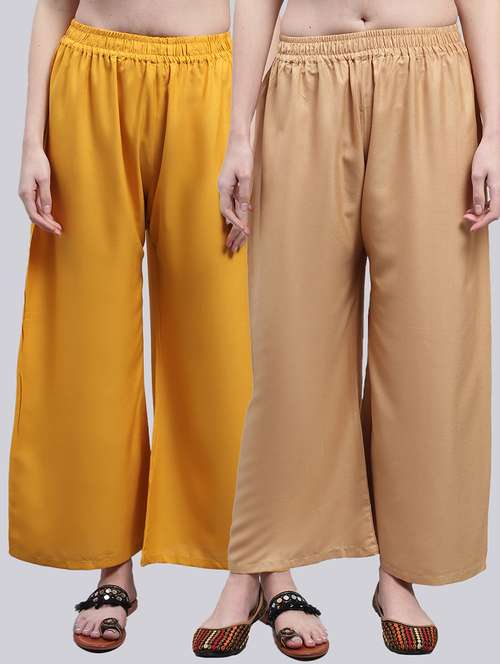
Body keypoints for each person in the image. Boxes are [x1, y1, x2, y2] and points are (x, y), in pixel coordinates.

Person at [194, 0, 499, 659]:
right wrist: (239, 132)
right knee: (288, 346)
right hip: (304, 77)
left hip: (430, 76)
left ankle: (400, 574)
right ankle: (256, 563)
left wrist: (496, 130)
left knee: (430, 341)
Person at [10, 0, 252, 653]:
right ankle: (110, 561)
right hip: (91, 75)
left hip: (209, 81)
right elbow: (53, 5)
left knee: (224, 335)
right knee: (85, 333)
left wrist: (251, 132)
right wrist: (32, 140)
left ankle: (255, 557)